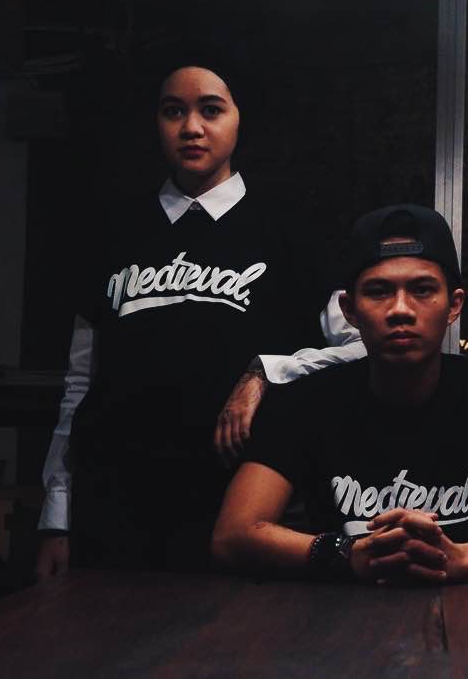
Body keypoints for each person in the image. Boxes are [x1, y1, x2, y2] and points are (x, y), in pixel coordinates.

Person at [35, 56, 365, 577]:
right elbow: (80, 384)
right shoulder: (113, 231)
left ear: (240, 117)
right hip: (115, 511)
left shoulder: (290, 233)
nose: (191, 127)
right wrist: (57, 519)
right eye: (174, 111)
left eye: (211, 109)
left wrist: (268, 372)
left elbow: (361, 348)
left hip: (237, 515)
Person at [211, 205, 468, 583]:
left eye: (422, 290)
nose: (400, 309)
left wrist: (467, 557)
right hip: (335, 616)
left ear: (454, 305)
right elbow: (234, 534)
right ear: (350, 309)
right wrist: (346, 554)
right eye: (378, 291)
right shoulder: (305, 403)